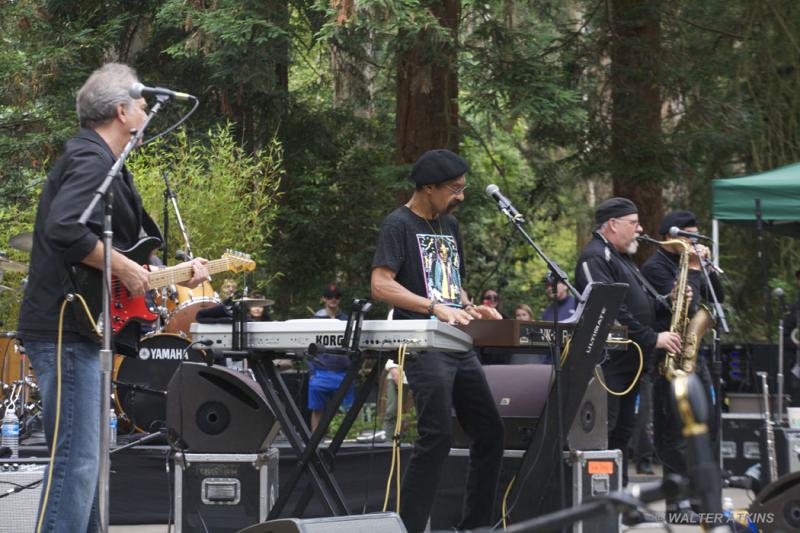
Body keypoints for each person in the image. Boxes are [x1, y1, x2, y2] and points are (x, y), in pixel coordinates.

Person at [15, 63, 209, 533]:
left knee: (89, 458)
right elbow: (64, 229)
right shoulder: (90, 160)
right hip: (66, 325)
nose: (147, 112)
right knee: (77, 459)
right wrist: (123, 266)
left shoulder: (111, 168)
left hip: (85, 328)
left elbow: (114, 253)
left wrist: (169, 273)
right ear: (122, 111)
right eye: (143, 105)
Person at [371, 148, 504, 532]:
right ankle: (409, 528)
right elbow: (381, 284)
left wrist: (471, 308)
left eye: (463, 188)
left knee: (490, 432)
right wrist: (433, 307)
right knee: (437, 436)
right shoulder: (398, 224)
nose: (460, 196)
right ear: (428, 187)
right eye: (454, 189)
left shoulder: (449, 227)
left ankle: (475, 526)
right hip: (422, 343)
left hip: (456, 342)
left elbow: (452, 289)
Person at [574, 197, 681, 487]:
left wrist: (666, 303)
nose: (640, 228)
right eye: (633, 223)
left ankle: (618, 500)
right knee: (606, 434)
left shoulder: (621, 257)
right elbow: (610, 312)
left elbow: (639, 305)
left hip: (631, 362)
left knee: (623, 434)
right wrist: (651, 338)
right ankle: (601, 501)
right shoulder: (595, 257)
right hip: (610, 364)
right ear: (612, 224)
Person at [641, 210, 725, 514]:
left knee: (705, 424)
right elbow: (679, 302)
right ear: (669, 236)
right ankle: (677, 503)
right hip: (668, 354)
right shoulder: (655, 267)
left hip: (693, 351)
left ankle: (700, 495)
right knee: (675, 429)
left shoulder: (694, 262)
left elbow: (718, 299)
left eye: (694, 236)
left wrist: (707, 269)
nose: (692, 241)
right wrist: (692, 267)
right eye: (686, 236)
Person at [307, 283, 353, 431]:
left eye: (337, 296)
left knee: (346, 410)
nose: (333, 299)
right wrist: (312, 372)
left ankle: (345, 441)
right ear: (323, 299)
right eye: (329, 296)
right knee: (317, 409)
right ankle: (315, 440)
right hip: (320, 372)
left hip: (343, 372)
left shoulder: (347, 320)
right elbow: (308, 348)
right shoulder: (315, 321)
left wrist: (352, 368)